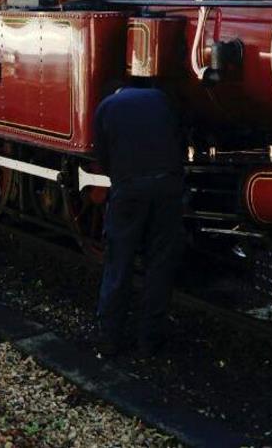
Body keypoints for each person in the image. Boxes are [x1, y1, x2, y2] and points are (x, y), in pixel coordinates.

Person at [92, 80, 185, 357]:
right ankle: (149, 340)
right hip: (167, 187)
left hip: (129, 189)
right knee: (159, 264)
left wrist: (120, 179)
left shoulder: (107, 106)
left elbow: (102, 154)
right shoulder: (161, 98)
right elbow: (178, 138)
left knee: (119, 262)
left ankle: (110, 338)